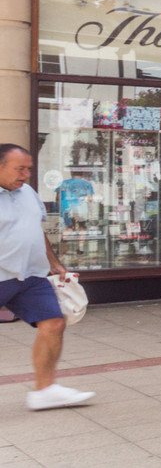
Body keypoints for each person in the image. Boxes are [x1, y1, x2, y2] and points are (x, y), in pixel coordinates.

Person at [0, 144, 92, 409]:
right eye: (20, 168)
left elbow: (36, 230)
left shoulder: (27, 192)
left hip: (31, 275)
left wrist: (54, 263)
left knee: (53, 323)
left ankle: (45, 390)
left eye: (28, 168)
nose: (26, 174)